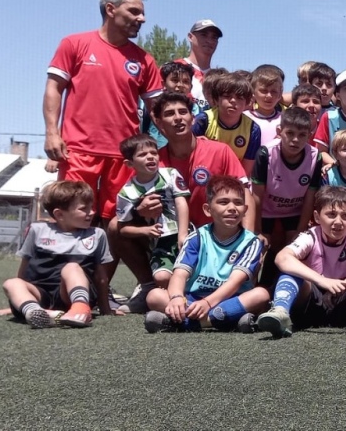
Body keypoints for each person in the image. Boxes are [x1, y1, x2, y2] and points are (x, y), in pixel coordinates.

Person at [43, 0, 163, 300]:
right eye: (134, 12)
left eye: (142, 12)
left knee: (114, 225)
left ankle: (100, 290)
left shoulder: (144, 60)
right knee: (72, 219)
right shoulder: (75, 44)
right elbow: (54, 88)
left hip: (123, 158)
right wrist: (51, 133)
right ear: (111, 9)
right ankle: (61, 291)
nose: (142, 19)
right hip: (78, 151)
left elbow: (158, 111)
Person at [255, 186, 346, 339]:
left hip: (344, 301)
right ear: (317, 217)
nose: (338, 222)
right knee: (290, 273)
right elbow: (282, 258)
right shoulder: (310, 236)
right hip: (311, 302)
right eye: (331, 215)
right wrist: (322, 281)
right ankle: (280, 312)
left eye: (345, 216)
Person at [143, 176, 270, 333]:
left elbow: (234, 283)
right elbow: (179, 275)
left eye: (237, 203)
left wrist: (208, 304)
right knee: (154, 296)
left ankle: (183, 323)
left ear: (245, 210)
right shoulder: (196, 237)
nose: (232, 208)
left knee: (261, 295)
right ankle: (227, 321)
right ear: (207, 210)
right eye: (223, 202)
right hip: (193, 300)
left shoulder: (251, 242)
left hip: (230, 299)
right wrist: (176, 298)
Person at [3, 181, 115, 328]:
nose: (92, 212)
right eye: (84, 209)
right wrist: (19, 300)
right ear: (59, 214)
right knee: (11, 283)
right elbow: (24, 269)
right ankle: (34, 311)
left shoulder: (97, 234)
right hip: (41, 293)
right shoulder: (37, 230)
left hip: (69, 296)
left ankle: (80, 308)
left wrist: (105, 308)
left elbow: (101, 277)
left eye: (91, 207)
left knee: (72, 267)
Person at [153, 92, 255, 230]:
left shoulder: (220, 151)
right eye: (170, 114)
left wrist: (248, 239)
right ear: (159, 123)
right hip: (171, 236)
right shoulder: (153, 162)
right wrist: (142, 207)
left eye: (183, 112)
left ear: (193, 118)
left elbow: (244, 192)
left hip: (215, 235)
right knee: (115, 226)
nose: (178, 118)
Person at [252, 107, 323, 287]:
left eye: (302, 134)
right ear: (279, 132)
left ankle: (285, 291)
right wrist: (258, 230)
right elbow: (257, 196)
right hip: (266, 211)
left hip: (294, 212)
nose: (295, 139)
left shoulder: (315, 157)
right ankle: (253, 291)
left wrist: (300, 230)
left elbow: (310, 197)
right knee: (258, 249)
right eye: (290, 133)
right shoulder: (265, 153)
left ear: (310, 135)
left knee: (293, 249)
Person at [113, 134, 190, 290]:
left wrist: (183, 234)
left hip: (185, 234)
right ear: (129, 163)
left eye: (153, 153)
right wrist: (145, 230)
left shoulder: (170, 174)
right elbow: (123, 228)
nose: (150, 157)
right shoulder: (127, 193)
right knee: (161, 277)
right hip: (160, 242)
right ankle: (158, 293)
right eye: (142, 155)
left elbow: (181, 202)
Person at [193, 71, 261, 177]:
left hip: (234, 180)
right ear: (216, 99)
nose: (233, 100)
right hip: (203, 176)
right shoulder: (202, 121)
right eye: (227, 96)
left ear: (247, 102)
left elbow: (245, 171)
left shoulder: (253, 129)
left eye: (239, 97)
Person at [141, 61, 194, 149]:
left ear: (191, 86)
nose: (180, 85)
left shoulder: (197, 109)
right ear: (163, 84)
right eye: (175, 80)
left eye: (185, 81)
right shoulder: (153, 107)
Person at [178, 19, 223, 112]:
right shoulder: (174, 69)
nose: (209, 41)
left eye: (214, 37)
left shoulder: (221, 77)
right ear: (190, 37)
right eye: (204, 35)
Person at [246, 64, 285, 149]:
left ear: (280, 94)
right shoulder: (243, 117)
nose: (269, 96)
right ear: (253, 92)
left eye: (274, 91)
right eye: (263, 91)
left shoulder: (285, 120)